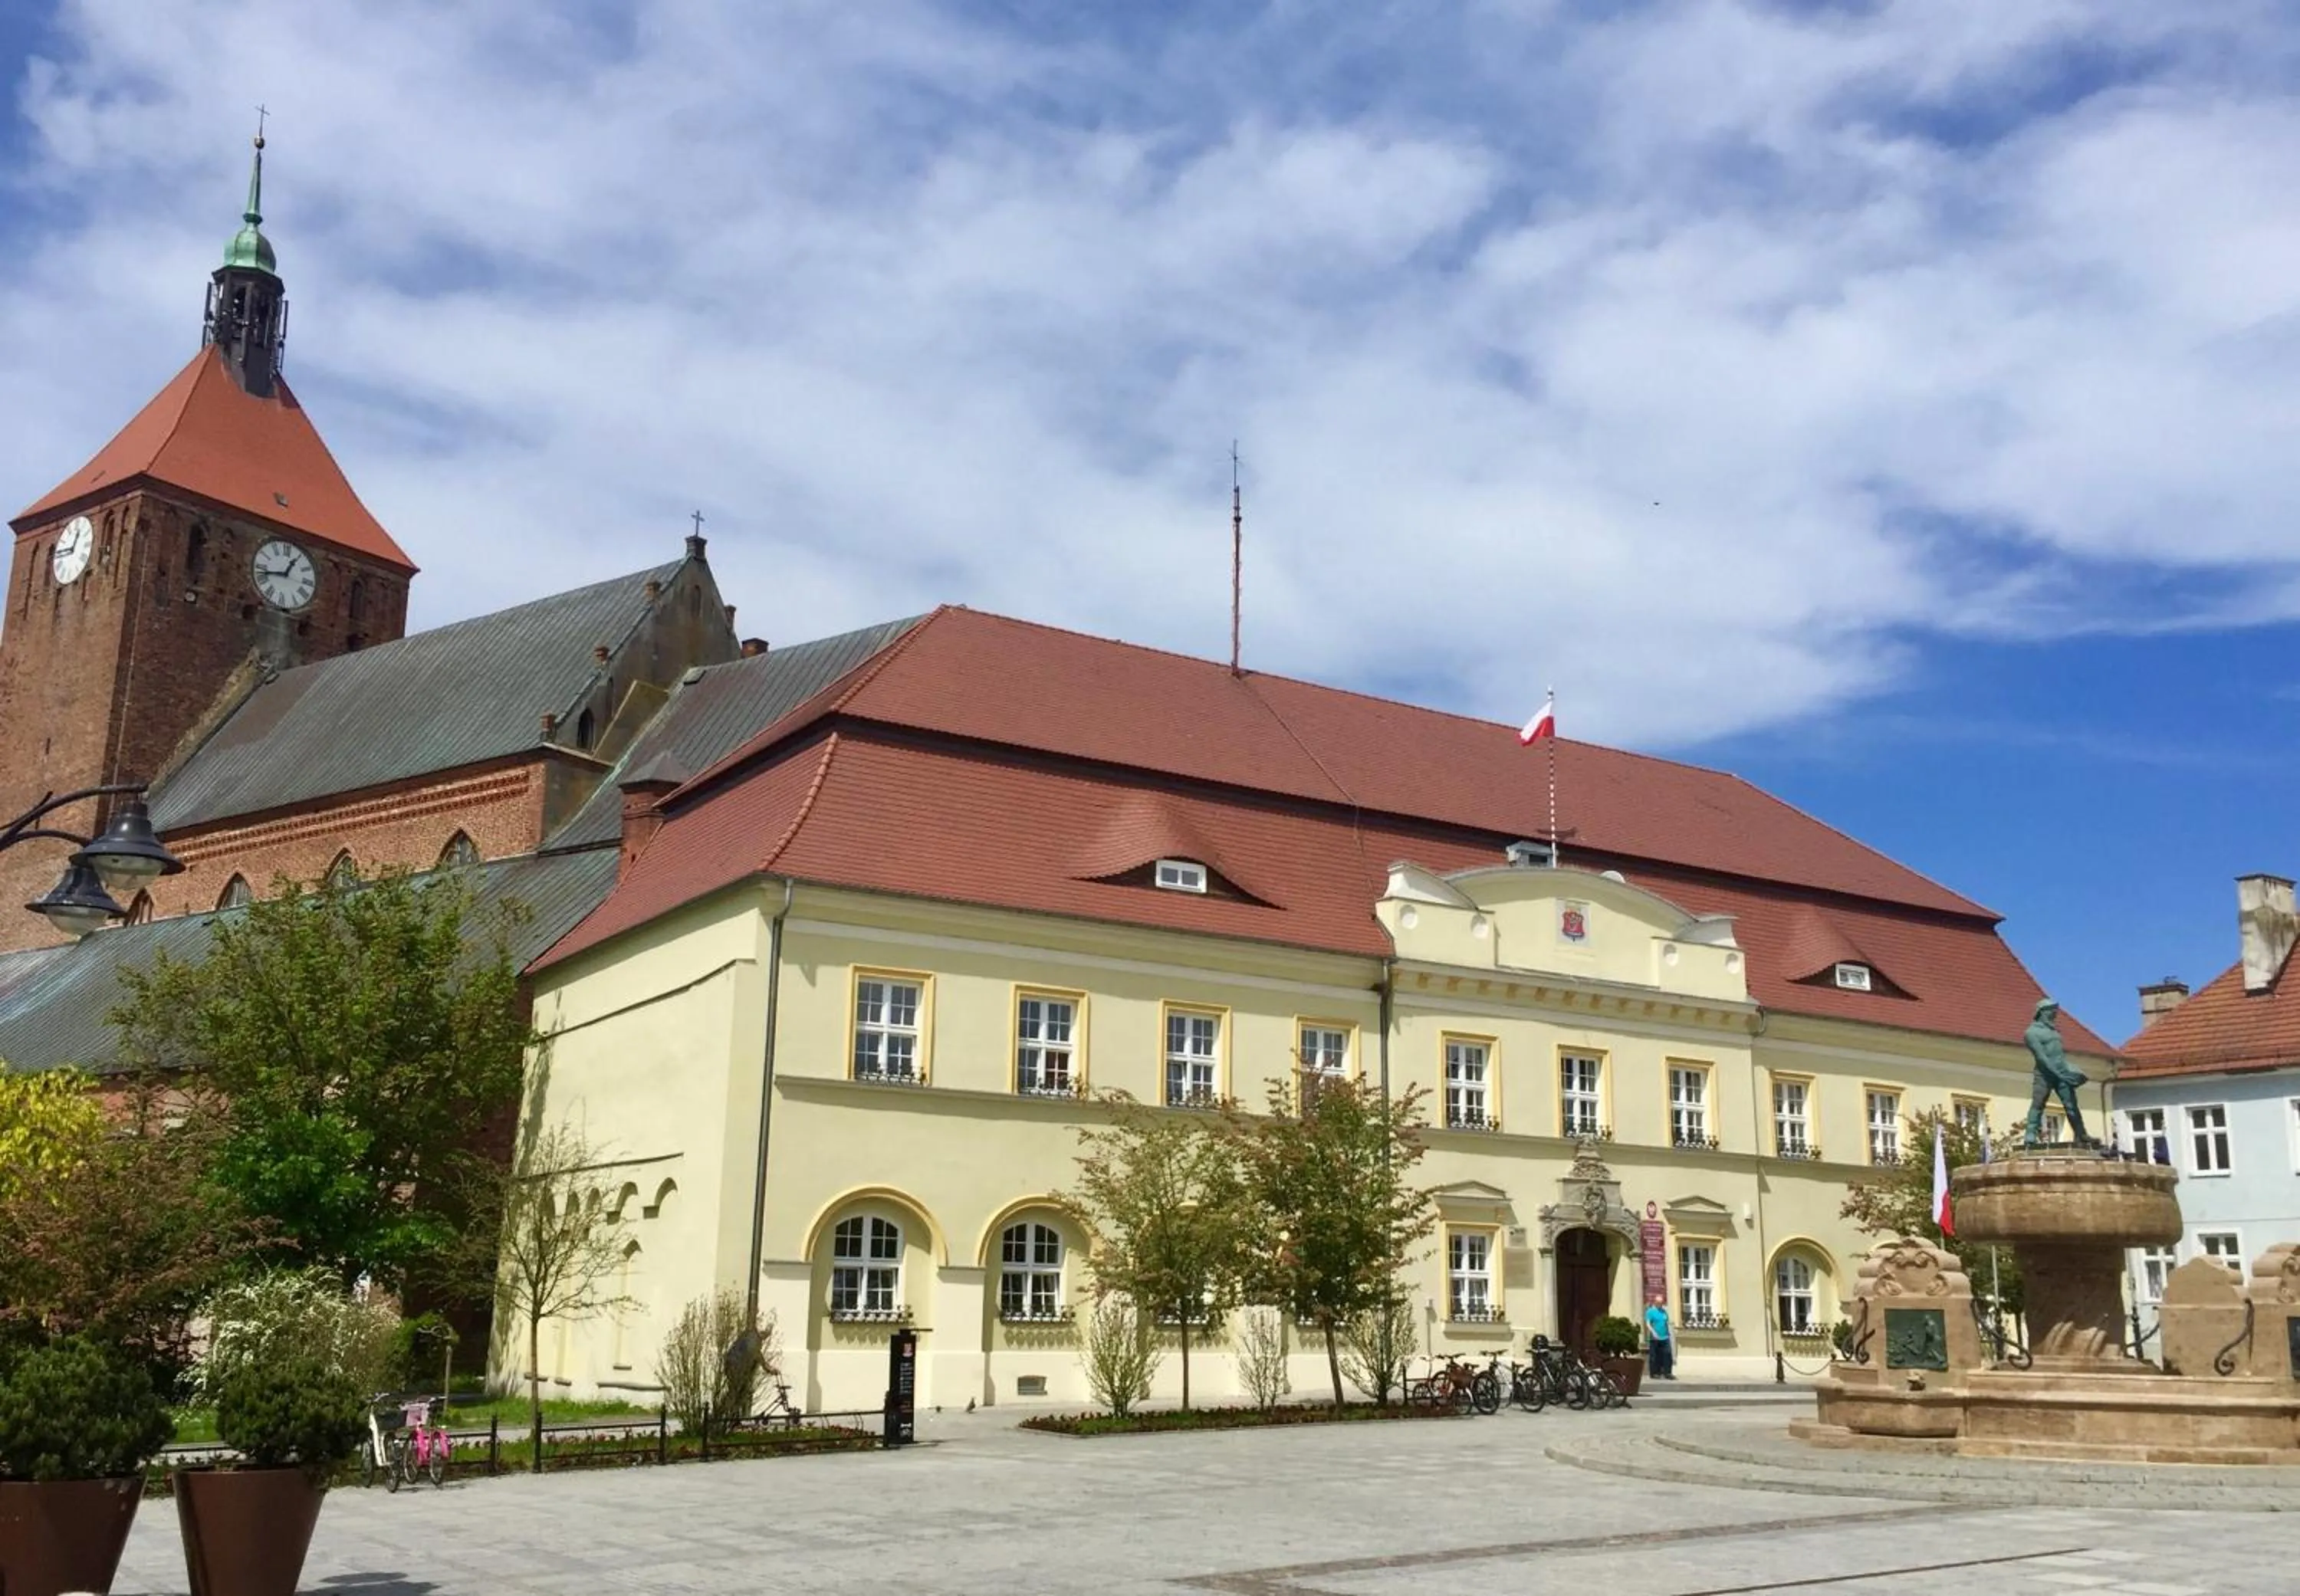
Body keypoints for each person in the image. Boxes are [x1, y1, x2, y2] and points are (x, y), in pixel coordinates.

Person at [1643, 1299, 1674, 1380]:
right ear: (1655, 1303)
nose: (1661, 1304)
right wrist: (1653, 1332)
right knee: (1654, 1356)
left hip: (1665, 1337)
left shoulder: (1664, 1312)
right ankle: (1654, 1373)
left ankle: (1668, 1373)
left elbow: (1666, 1323)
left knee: (1667, 1354)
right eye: (1659, 1303)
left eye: (1662, 1303)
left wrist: (1668, 1333)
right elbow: (1648, 1323)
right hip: (1655, 1337)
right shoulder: (1650, 1312)